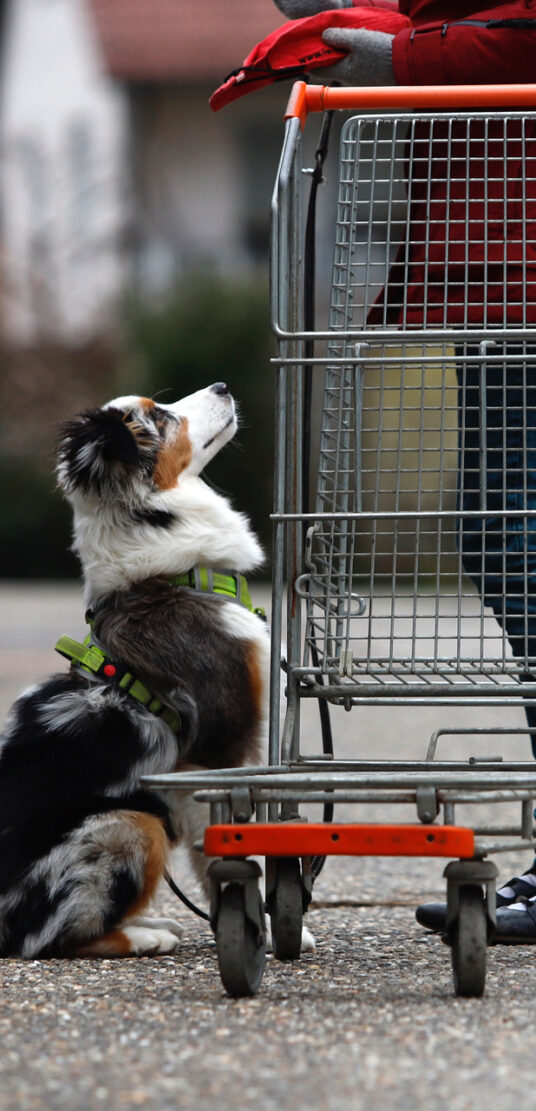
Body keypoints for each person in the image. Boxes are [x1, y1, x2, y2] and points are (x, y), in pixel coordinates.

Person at [273, 0, 536, 941]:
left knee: (513, 539)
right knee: (497, 535)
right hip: (501, 270)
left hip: (518, 262)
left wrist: (400, 53)